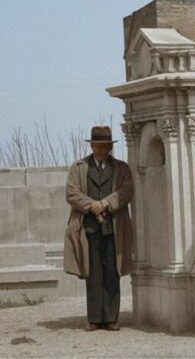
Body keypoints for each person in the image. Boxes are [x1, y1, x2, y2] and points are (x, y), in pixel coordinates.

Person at [64, 126, 135, 332]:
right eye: (97, 145)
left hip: (114, 228)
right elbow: (72, 193)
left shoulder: (121, 168)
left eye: (104, 146)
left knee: (112, 272)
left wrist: (105, 203)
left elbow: (126, 191)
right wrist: (91, 206)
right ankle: (94, 318)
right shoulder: (79, 168)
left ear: (110, 147)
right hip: (89, 228)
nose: (100, 149)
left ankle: (111, 318)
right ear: (91, 146)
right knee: (93, 274)